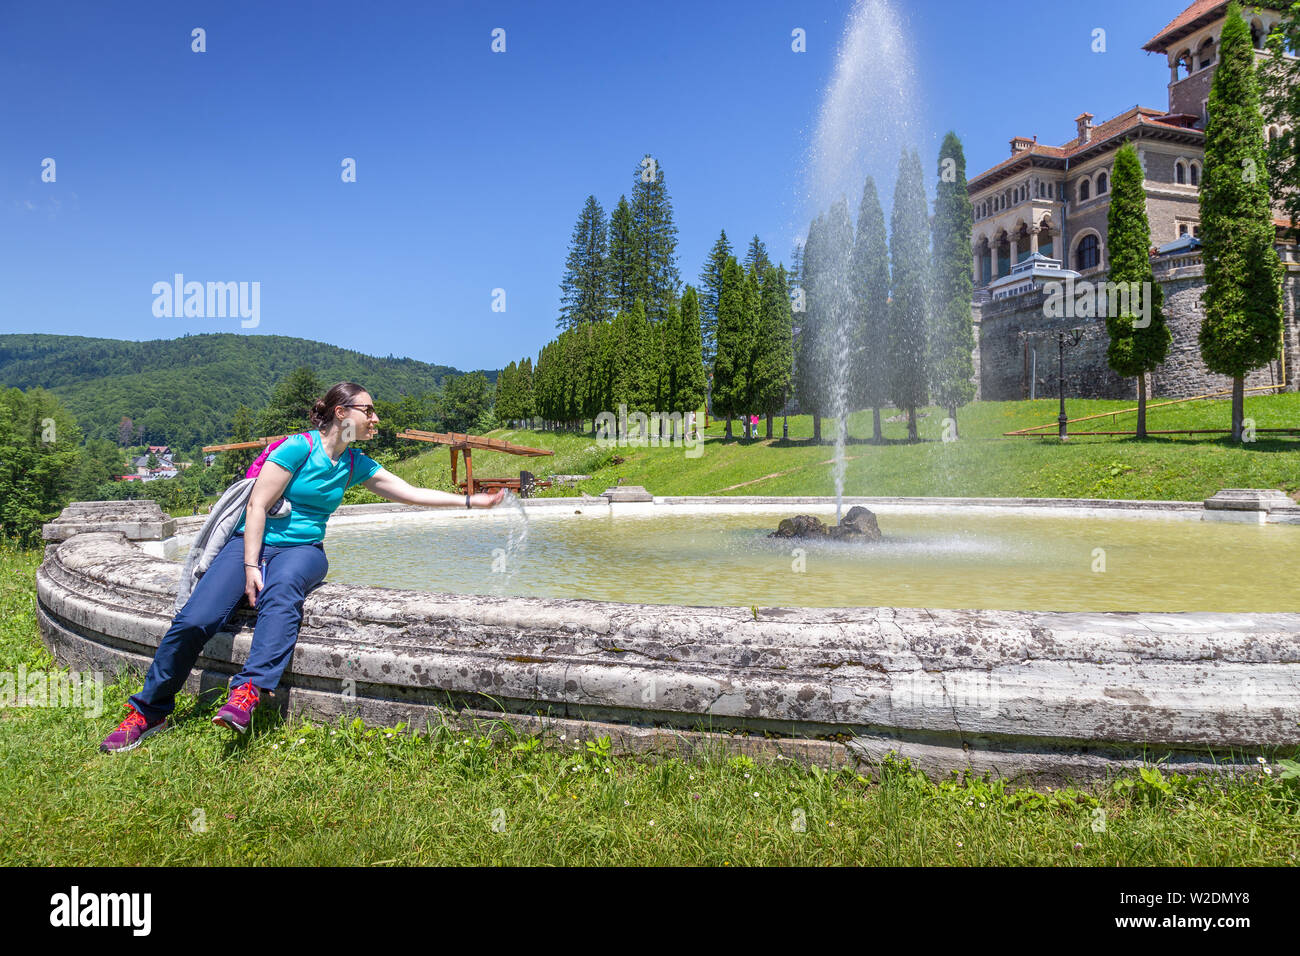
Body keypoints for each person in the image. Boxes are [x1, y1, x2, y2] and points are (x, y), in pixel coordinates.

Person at [99, 381, 506, 752]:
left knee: (285, 589)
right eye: (369, 410)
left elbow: (411, 494)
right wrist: (249, 564)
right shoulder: (298, 447)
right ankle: (149, 712)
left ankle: (249, 690)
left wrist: (473, 502)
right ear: (342, 412)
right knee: (194, 620)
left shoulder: (354, 463)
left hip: (304, 549)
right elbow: (257, 505)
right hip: (250, 543)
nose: (376, 418)